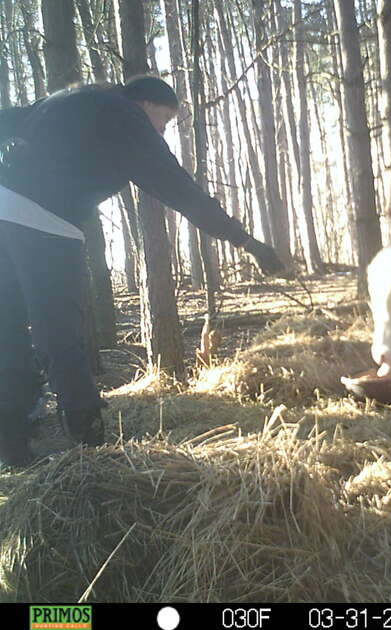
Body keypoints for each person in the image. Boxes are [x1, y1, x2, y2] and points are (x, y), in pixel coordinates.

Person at [0, 76, 284, 467]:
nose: (161, 132)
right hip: (47, 226)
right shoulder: (125, 117)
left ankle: (12, 448)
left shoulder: (71, 99)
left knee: (8, 331)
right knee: (60, 333)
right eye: (164, 122)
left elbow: (8, 120)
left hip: (3, 210)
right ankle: (90, 449)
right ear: (146, 103)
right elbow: (180, 189)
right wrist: (247, 243)